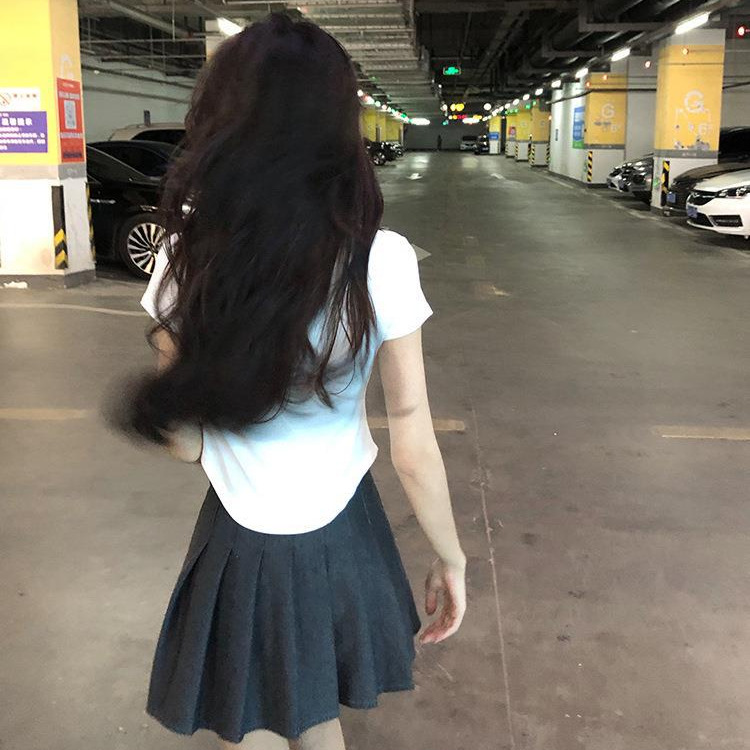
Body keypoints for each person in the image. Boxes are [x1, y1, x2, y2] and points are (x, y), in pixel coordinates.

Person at [116, 13, 466, 750]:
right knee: (317, 713)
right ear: (340, 126)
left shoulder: (186, 259)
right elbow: (411, 437)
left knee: (260, 716)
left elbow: (186, 445)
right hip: (345, 527)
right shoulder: (381, 257)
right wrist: (450, 556)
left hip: (239, 539)